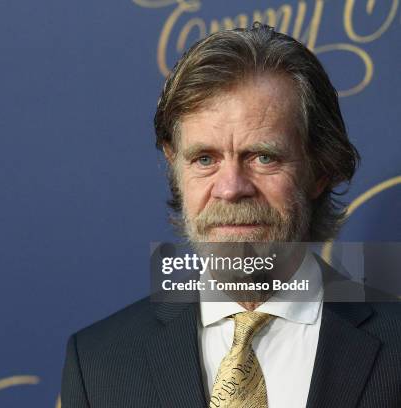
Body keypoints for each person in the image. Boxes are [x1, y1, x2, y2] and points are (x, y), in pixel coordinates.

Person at [61, 23, 401, 408]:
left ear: (319, 170)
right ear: (175, 168)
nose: (231, 187)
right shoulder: (99, 363)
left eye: (263, 157)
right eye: (205, 159)